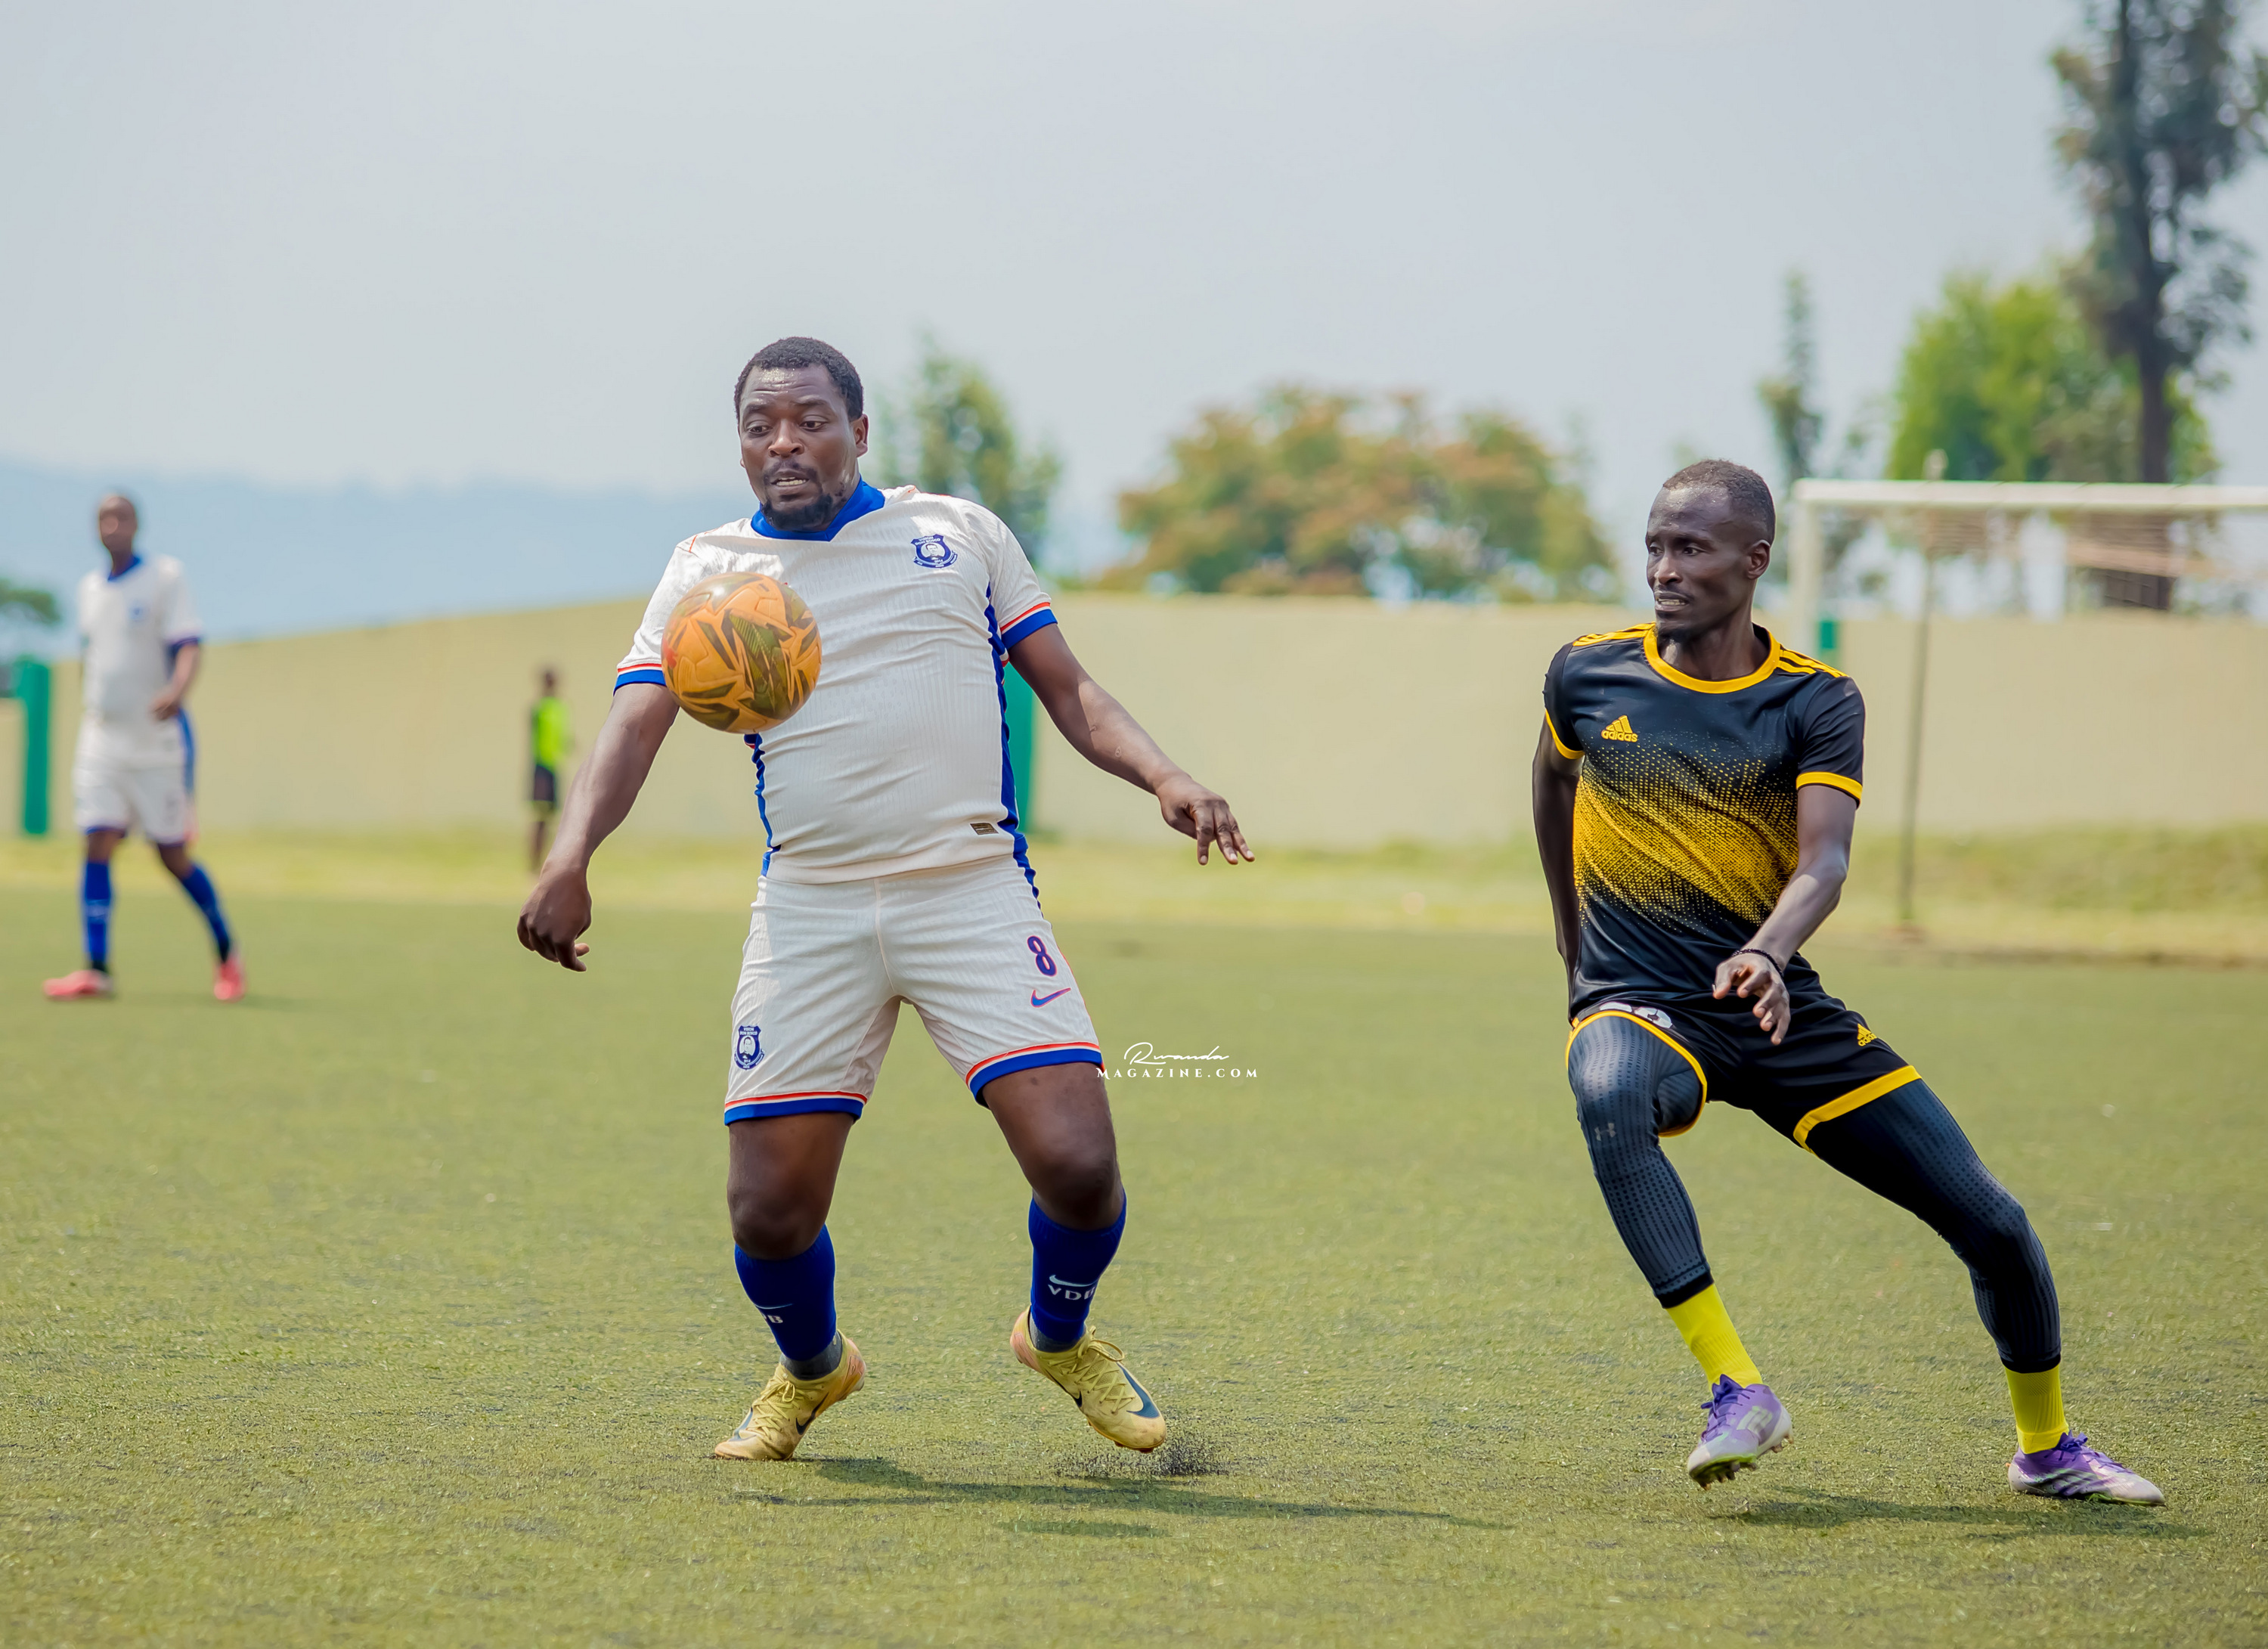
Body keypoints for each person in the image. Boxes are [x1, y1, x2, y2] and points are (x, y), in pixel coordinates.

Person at [519, 337, 1252, 1461]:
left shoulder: (958, 534)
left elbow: (1069, 688)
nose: (784, 444)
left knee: (1078, 1165)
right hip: (811, 908)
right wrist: (570, 856)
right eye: (761, 426)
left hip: (969, 890)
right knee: (768, 1213)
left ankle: (1059, 1337)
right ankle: (814, 1367)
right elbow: (633, 724)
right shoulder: (708, 571)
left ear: (859, 431)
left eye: (810, 420)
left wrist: (1168, 776)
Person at [1530, 459, 2161, 1504]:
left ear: (1755, 561)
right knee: (1607, 1088)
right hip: (1640, 1002)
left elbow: (1823, 862)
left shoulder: (1814, 699)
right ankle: (1738, 1391)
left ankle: (2046, 1448)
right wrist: (1571, 936)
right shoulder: (1587, 674)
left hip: (1777, 1006)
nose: (1663, 570)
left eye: (1690, 548)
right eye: (1654, 546)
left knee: (1994, 1224)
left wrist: (1768, 952)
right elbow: (1552, 777)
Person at [44, 494, 243, 1003]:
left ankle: (226, 951)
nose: (112, 526)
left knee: (171, 854)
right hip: (102, 740)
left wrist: (177, 690)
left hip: (155, 743)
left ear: (137, 525)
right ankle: (97, 967)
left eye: (122, 517)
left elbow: (189, 644)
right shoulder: (89, 589)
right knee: (97, 839)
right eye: (104, 518)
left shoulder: (165, 578)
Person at [528, 668, 571, 872]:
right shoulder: (539, 707)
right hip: (541, 765)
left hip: (554, 765)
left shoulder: (560, 707)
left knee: (552, 817)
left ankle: (546, 860)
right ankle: (534, 862)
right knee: (540, 816)